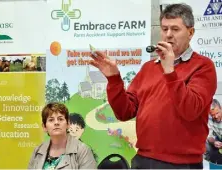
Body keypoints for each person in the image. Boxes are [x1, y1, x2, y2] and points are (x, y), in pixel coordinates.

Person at [90, 3, 217, 169]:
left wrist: (170, 70)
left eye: (175, 29)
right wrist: (114, 79)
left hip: (182, 165)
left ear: (190, 32)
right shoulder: (149, 68)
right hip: (143, 159)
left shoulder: (203, 66)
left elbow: (190, 109)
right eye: (164, 29)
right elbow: (124, 112)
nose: (168, 35)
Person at [28, 103, 97, 169]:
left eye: (60, 119)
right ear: (44, 127)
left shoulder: (83, 150)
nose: (56, 123)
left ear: (68, 124)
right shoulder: (37, 151)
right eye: (51, 120)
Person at [205, 99, 222, 164]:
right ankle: (210, 164)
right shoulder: (209, 119)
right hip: (218, 139)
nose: (216, 116)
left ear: (221, 108)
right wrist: (214, 142)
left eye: (217, 113)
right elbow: (209, 136)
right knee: (206, 143)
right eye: (213, 115)